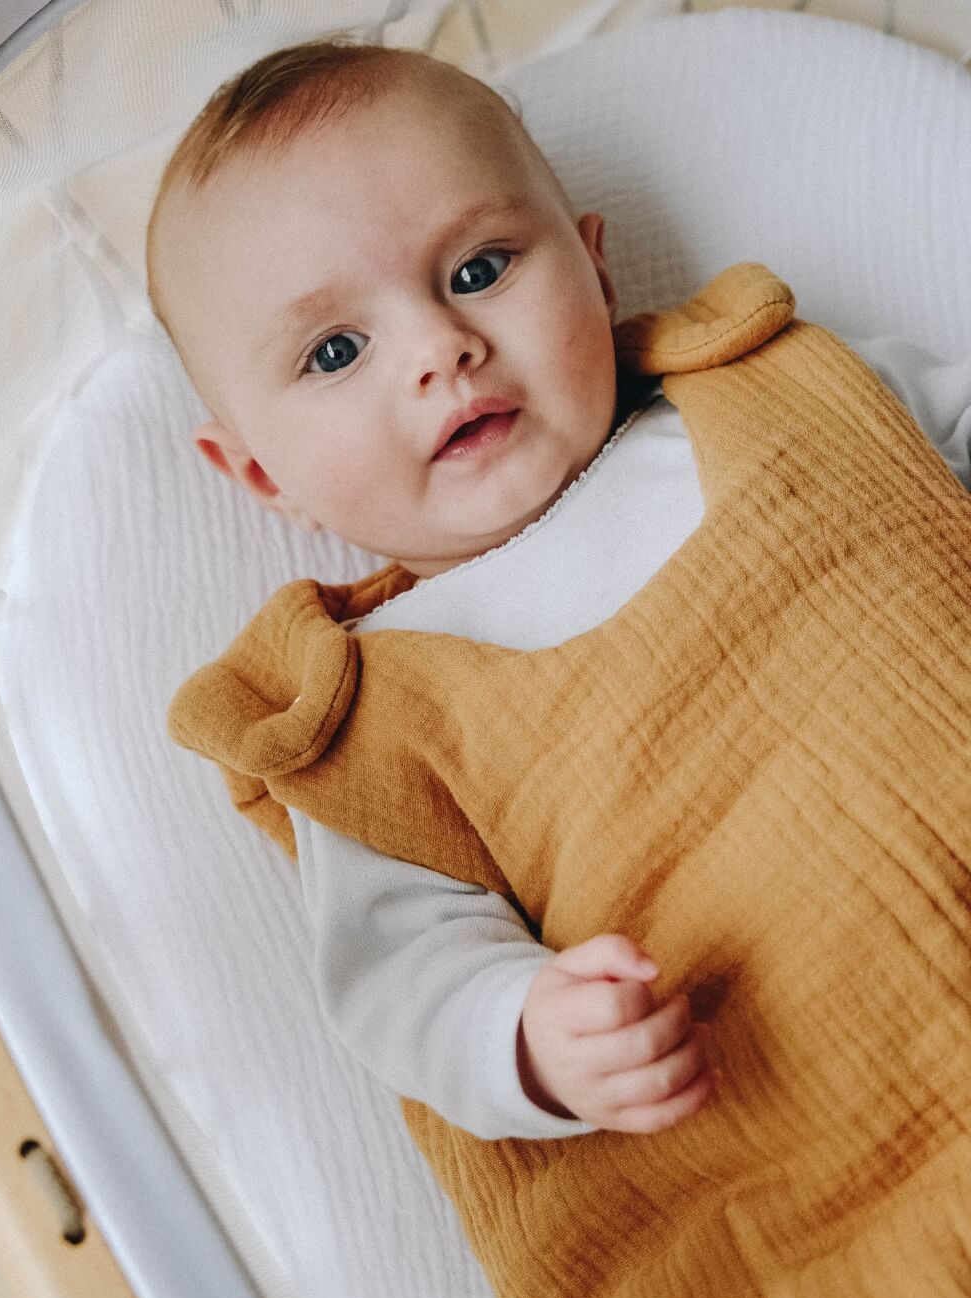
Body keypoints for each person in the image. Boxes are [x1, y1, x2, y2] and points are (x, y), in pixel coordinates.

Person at [149, 38, 971, 1140]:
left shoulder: (779, 385)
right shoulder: (370, 711)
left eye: (479, 271)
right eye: (338, 350)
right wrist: (528, 1034)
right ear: (259, 472)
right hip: (831, 1092)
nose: (441, 348)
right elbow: (403, 970)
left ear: (596, 269)